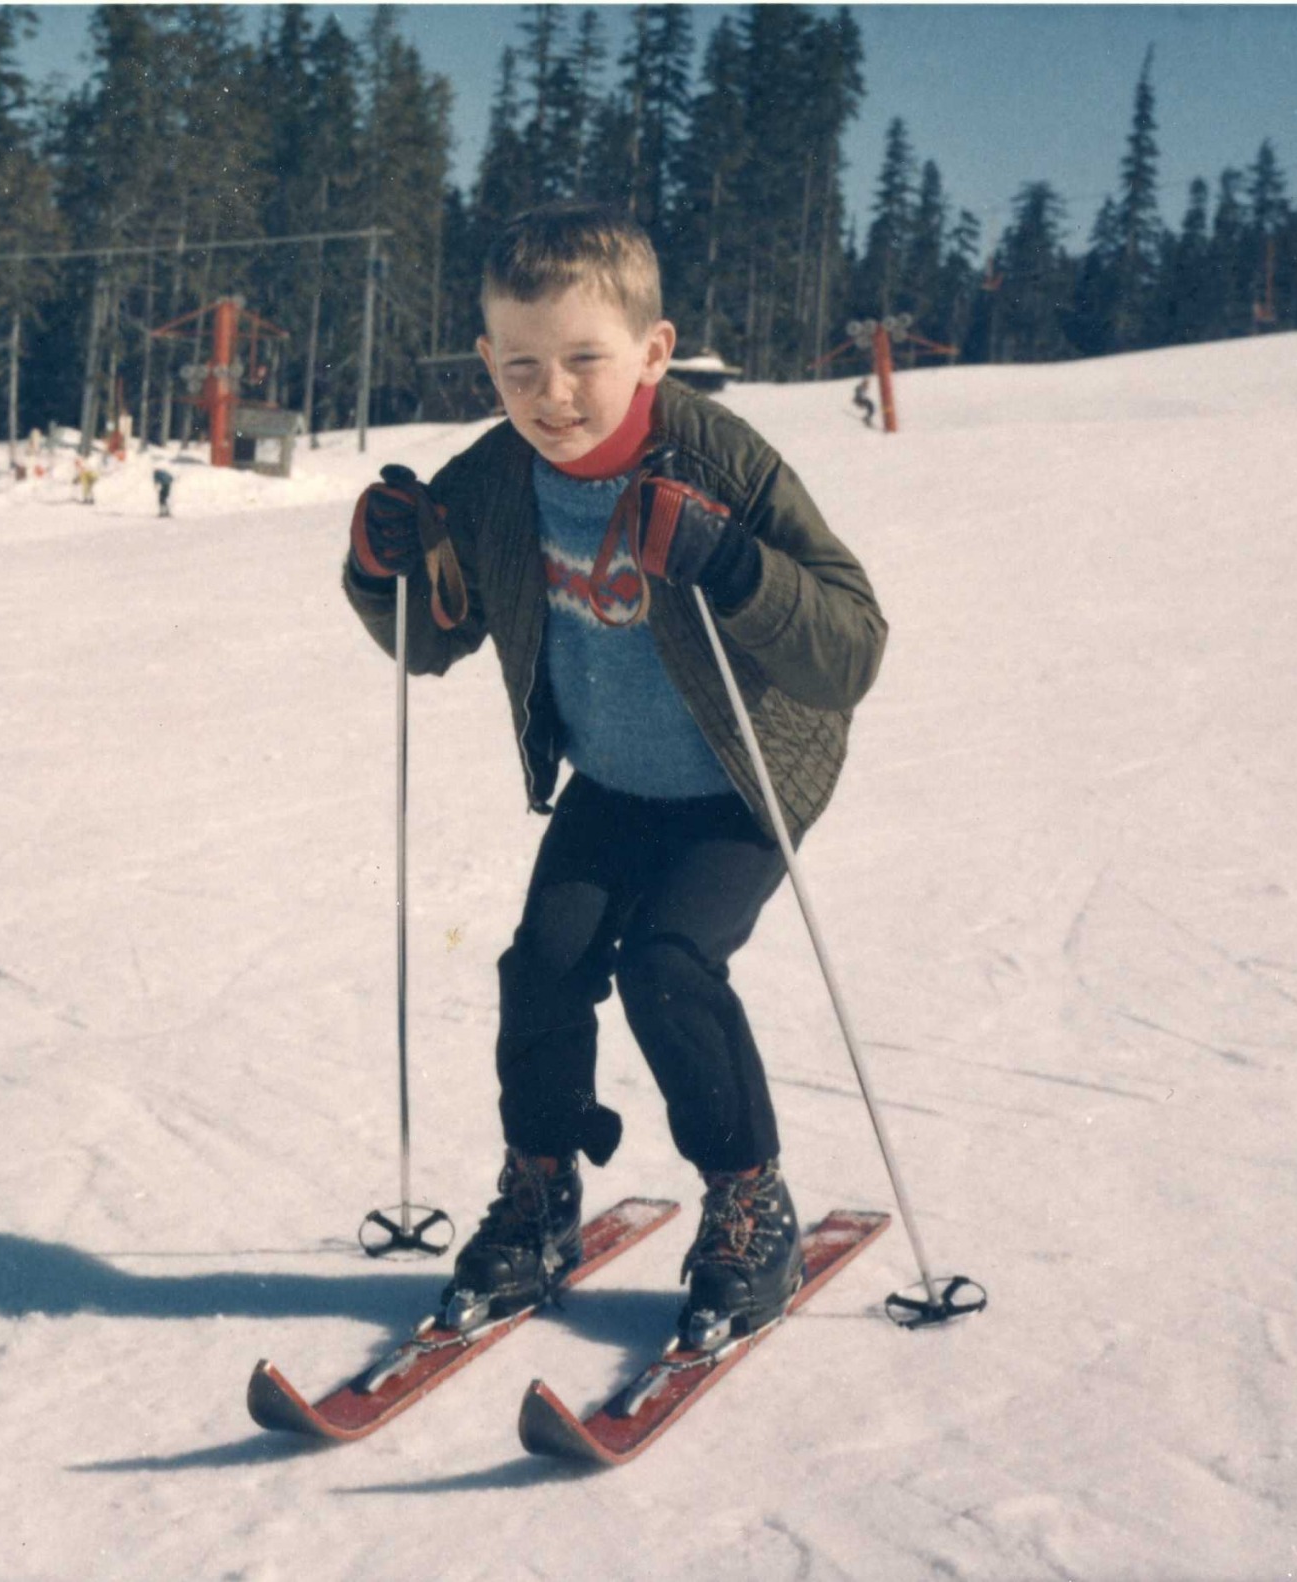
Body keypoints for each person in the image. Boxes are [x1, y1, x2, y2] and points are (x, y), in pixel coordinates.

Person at [340, 202, 886, 1353]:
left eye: (585, 359)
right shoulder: (493, 481)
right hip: (612, 779)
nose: (554, 394)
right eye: (522, 365)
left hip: (741, 775)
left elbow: (849, 648)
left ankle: (750, 1202)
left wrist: (729, 561)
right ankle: (539, 1196)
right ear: (487, 361)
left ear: (652, 350)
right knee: (541, 967)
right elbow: (434, 640)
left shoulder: (721, 457)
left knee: (670, 964)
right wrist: (378, 568)